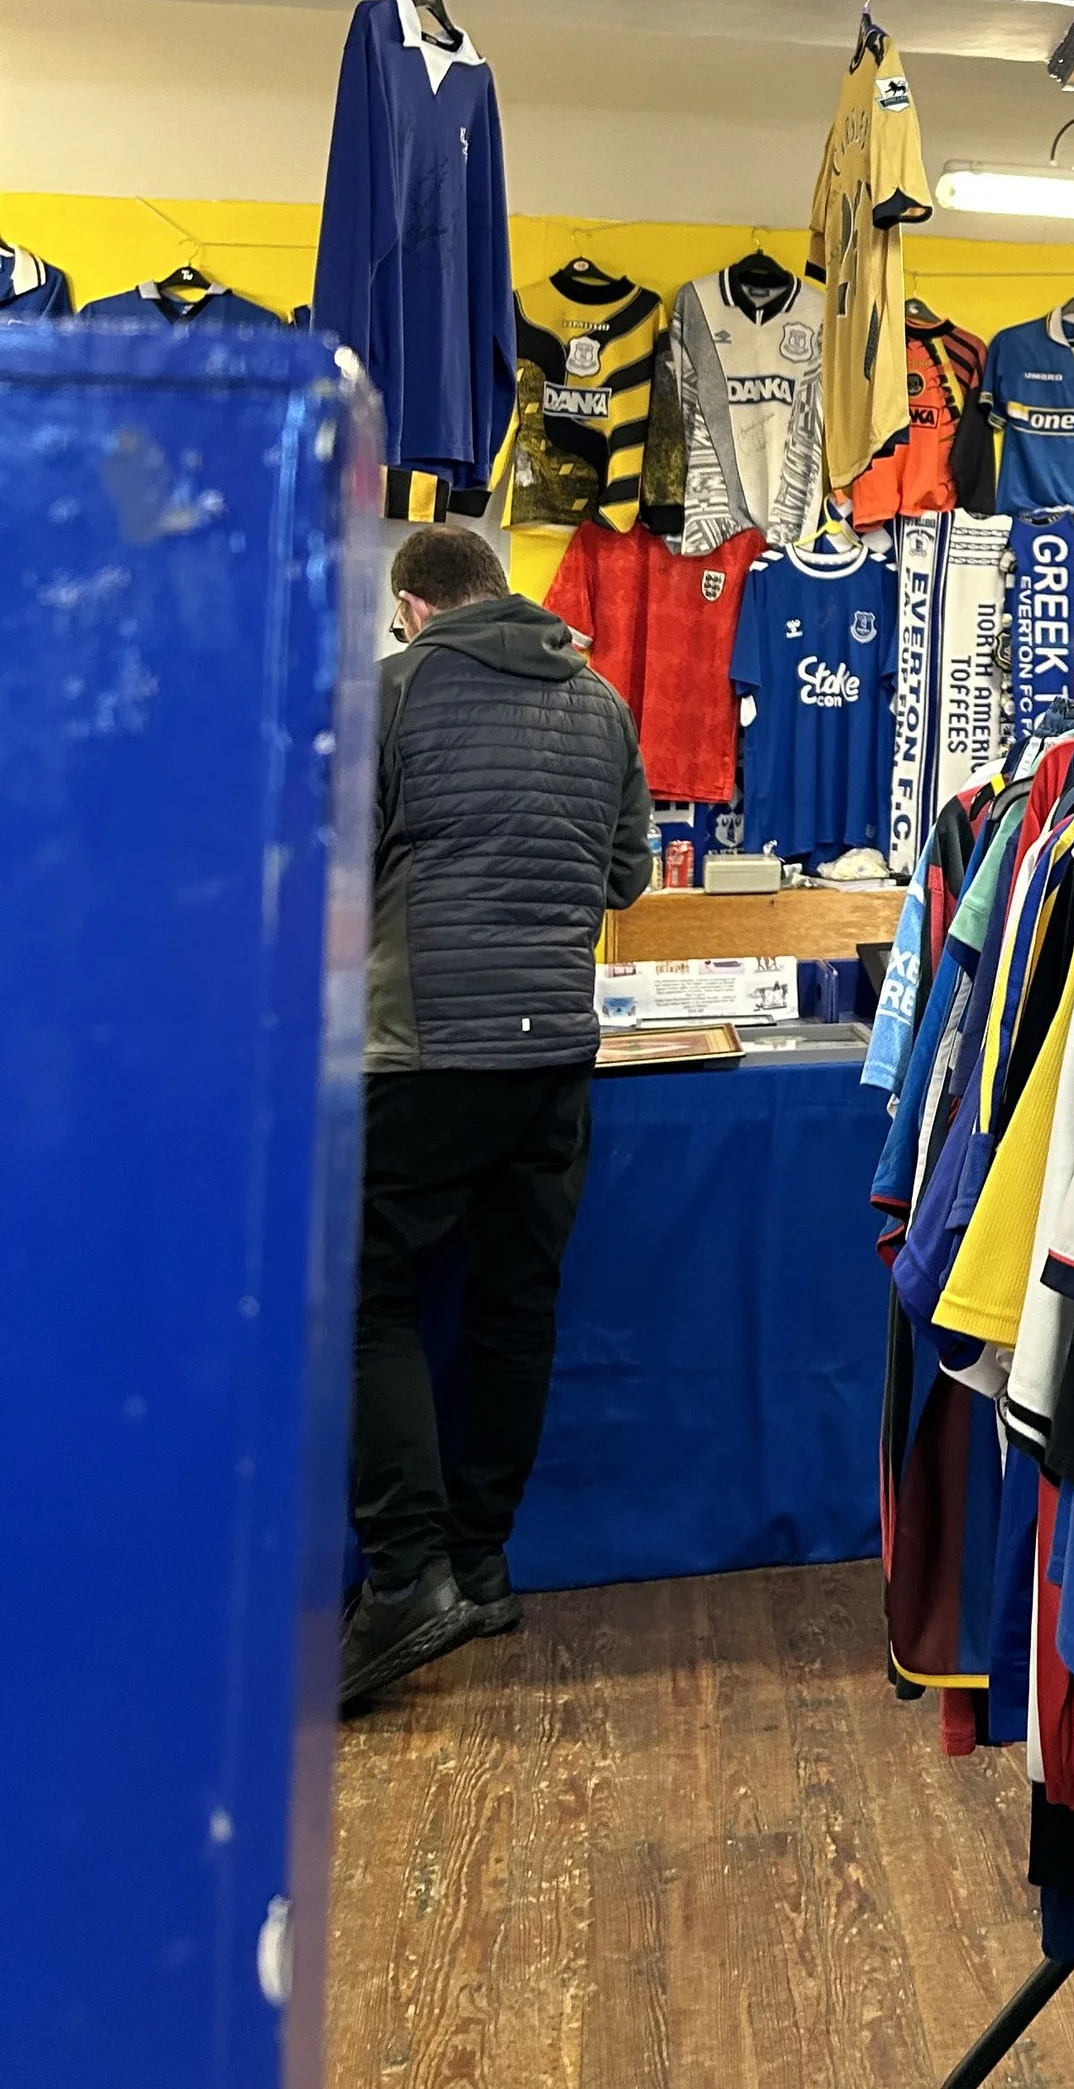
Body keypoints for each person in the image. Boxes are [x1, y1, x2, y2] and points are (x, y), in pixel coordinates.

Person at [339, 523, 652, 1715]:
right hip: (555, 1053)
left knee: (370, 1296)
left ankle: (406, 1578)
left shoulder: (393, 694)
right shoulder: (600, 702)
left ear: (413, 604)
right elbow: (625, 878)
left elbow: (336, 868)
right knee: (515, 1308)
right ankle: (481, 1567)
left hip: (425, 1051)